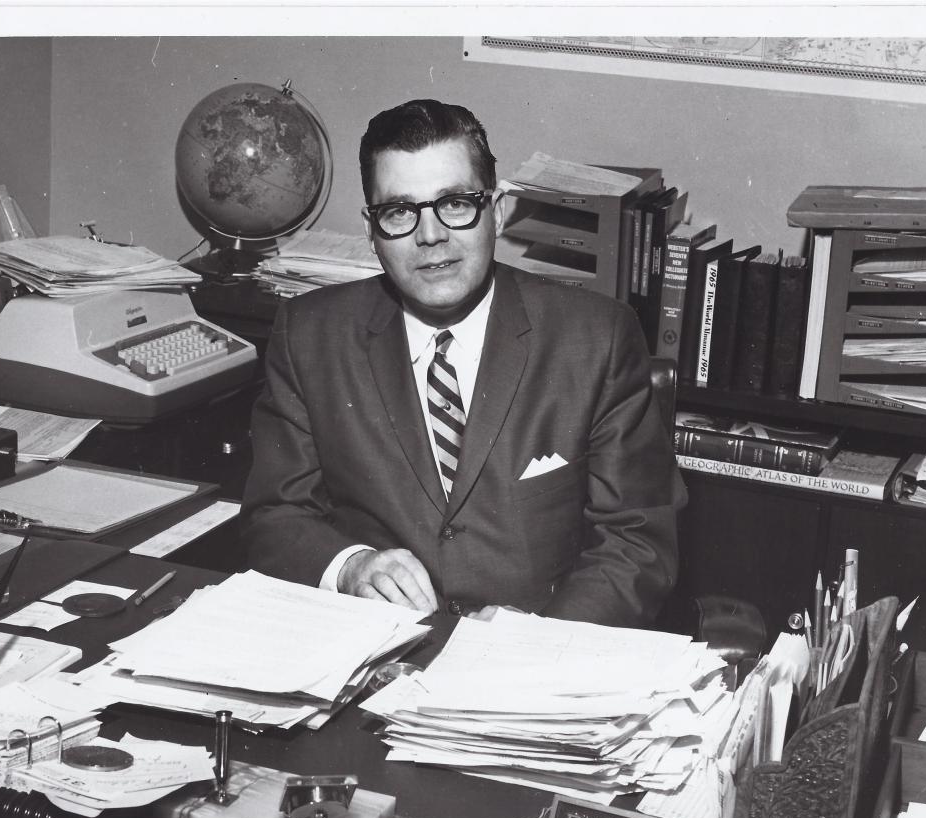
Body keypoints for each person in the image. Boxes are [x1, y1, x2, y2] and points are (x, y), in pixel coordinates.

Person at [239, 99, 686, 628]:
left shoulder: (595, 338)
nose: (431, 237)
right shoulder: (310, 335)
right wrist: (351, 568)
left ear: (495, 212)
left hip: (538, 666)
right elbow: (274, 516)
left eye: (455, 203)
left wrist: (531, 642)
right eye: (400, 211)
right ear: (372, 229)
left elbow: (636, 542)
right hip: (371, 658)